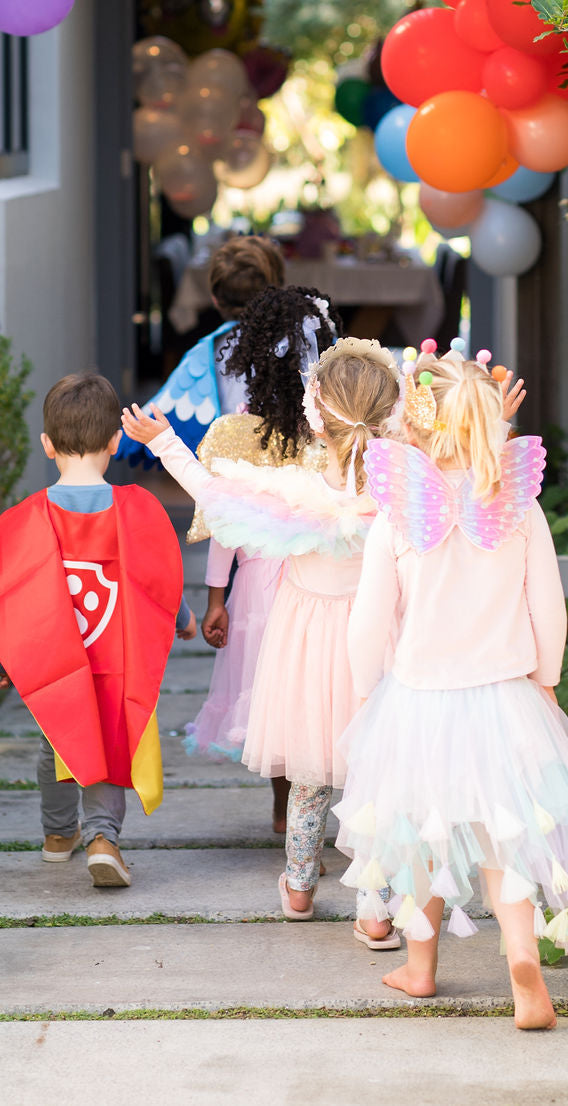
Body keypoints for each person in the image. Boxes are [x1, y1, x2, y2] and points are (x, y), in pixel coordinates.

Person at [335, 346, 568, 1029]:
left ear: (418, 427)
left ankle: (420, 967)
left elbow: (369, 619)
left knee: (422, 839)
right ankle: (523, 965)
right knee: (503, 841)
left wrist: (366, 689)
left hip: (419, 699)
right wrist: (545, 679)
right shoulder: (516, 506)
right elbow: (549, 604)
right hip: (503, 697)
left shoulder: (398, 514)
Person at [120, 338, 402, 946]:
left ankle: (299, 888)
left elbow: (215, 494)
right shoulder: (398, 493)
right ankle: (376, 910)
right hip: (376, 641)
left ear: (316, 413)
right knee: (376, 777)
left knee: (308, 776)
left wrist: (163, 440)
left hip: (305, 641)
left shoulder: (295, 493)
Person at [0, 372, 185, 889]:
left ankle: (56, 835)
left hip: (55, 659)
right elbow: (160, 576)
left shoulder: (26, 519)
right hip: (119, 653)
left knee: (58, 737)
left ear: (47, 445)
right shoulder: (138, 508)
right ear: (116, 441)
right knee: (112, 739)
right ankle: (103, 838)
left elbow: (12, 597)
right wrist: (181, 620)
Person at [184, 284, 340, 835]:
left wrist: (215, 598)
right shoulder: (337, 437)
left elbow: (225, 523)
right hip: (320, 582)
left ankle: (286, 808)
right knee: (318, 690)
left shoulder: (235, 435)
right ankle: (311, 805)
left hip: (254, 589)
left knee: (269, 693)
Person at [115, 234, 285, 468]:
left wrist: (112, 439)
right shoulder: (302, 343)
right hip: (287, 478)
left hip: (226, 482)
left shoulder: (203, 354)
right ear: (278, 291)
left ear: (214, 300)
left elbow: (152, 415)